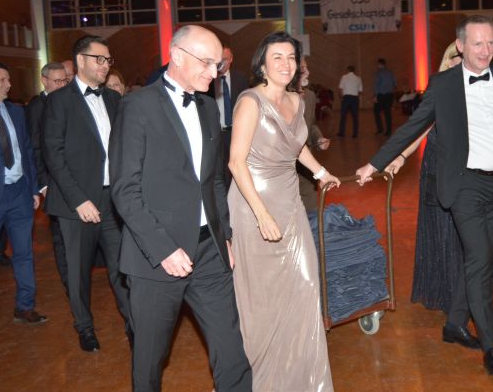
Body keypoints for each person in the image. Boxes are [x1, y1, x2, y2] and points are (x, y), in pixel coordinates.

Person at [356, 15, 493, 376]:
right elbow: (414, 126)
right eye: (478, 43)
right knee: (480, 261)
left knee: (482, 258)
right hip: (466, 187)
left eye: (491, 43)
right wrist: (375, 163)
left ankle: (454, 324)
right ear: (460, 46)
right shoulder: (444, 84)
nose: (485, 50)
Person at [110, 25, 252, 392]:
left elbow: (214, 181)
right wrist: (163, 249)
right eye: (206, 63)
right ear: (176, 55)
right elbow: (125, 190)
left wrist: (225, 236)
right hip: (156, 257)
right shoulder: (137, 106)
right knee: (149, 359)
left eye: (218, 65)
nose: (213, 72)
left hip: (209, 251)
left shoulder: (207, 107)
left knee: (232, 351)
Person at [228, 31, 339, 391]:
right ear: (262, 63)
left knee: (305, 284)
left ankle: (304, 379)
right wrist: (261, 215)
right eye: (277, 57)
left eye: (291, 57)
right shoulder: (250, 102)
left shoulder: (297, 100)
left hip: (289, 200)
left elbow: (296, 145)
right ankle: (261, 377)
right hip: (253, 203)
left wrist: (320, 172)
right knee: (263, 297)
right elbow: (235, 163)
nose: (286, 64)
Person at [42, 36, 129, 352]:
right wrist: (79, 199)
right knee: (78, 271)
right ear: (80, 60)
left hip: (112, 200)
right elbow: (53, 155)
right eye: (99, 59)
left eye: (108, 60)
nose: (105, 65)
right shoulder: (58, 101)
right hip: (76, 203)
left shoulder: (114, 99)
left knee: (122, 266)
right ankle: (84, 327)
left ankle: (133, 322)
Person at [385, 42, 466, 315]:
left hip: (466, 167)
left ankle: (463, 294)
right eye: (454, 58)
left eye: (463, 58)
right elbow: (421, 126)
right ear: (447, 61)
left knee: (462, 234)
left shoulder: (478, 87)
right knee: (441, 229)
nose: (459, 62)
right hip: (437, 166)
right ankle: (444, 293)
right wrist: (401, 156)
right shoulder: (440, 87)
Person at [0, 61, 47, 324]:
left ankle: (25, 305)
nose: (8, 85)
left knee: (24, 252)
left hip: (19, 193)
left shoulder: (16, 112)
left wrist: (33, 188)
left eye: (8, 80)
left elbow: (26, 151)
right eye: (2, 80)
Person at [25, 62, 70, 292]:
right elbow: (35, 148)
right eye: (58, 81)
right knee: (60, 236)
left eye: (65, 80)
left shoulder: (67, 102)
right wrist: (43, 184)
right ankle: (69, 283)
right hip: (51, 183)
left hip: (70, 179)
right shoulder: (37, 108)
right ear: (44, 81)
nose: (62, 85)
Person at [207, 45, 249, 188]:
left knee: (238, 166)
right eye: (219, 60)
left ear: (231, 59)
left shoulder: (240, 78)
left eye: (225, 59)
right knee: (219, 169)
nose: (221, 63)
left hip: (236, 131)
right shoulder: (209, 79)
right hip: (217, 132)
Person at [299, 57, 331, 212]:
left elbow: (311, 125)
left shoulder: (310, 96)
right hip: (283, 168)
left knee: (311, 209)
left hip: (307, 166)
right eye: (303, 69)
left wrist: (319, 138)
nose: (308, 72)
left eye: (307, 68)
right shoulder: (278, 98)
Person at [373, 58, 397, 136]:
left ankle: (380, 129)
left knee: (376, 111)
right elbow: (395, 84)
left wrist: (375, 96)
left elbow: (376, 85)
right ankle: (388, 131)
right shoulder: (390, 73)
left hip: (381, 95)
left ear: (380, 64)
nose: (377, 66)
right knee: (387, 113)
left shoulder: (378, 73)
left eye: (377, 64)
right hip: (389, 95)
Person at [337, 65, 362, 138]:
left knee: (343, 116)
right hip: (354, 98)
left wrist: (341, 97)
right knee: (355, 117)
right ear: (354, 70)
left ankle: (341, 133)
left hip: (346, 98)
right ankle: (355, 133)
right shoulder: (358, 78)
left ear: (347, 70)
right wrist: (356, 96)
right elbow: (360, 90)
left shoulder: (344, 77)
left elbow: (340, 88)